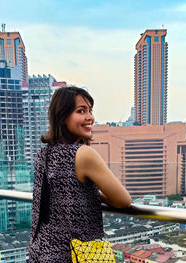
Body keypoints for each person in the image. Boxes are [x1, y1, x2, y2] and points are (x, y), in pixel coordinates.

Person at [28, 86, 132, 262]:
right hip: (75, 255)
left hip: (41, 252)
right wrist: (94, 194)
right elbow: (123, 200)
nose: (90, 117)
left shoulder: (43, 154)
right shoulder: (83, 154)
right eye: (81, 111)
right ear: (62, 117)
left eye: (90, 110)